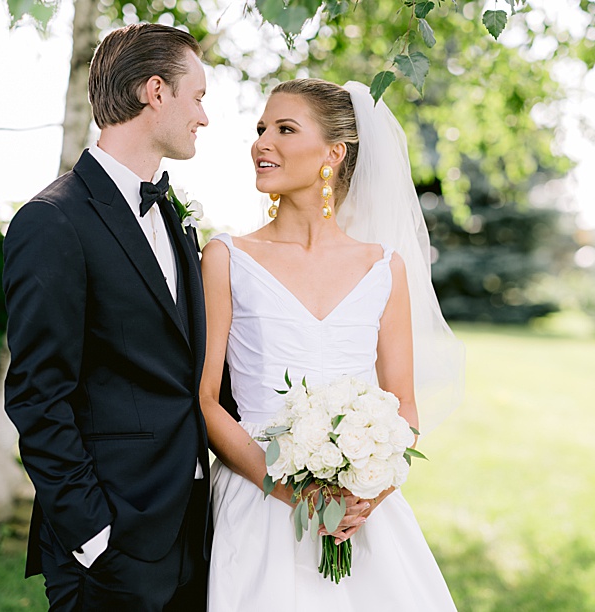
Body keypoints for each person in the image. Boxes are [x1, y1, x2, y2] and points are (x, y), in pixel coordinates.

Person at [199, 78, 462, 610]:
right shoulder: (226, 257)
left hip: (360, 519)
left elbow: (403, 404)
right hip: (258, 506)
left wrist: (368, 494)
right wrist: (289, 492)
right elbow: (204, 400)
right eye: (260, 129)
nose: (261, 143)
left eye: (285, 129)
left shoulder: (384, 267)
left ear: (334, 154)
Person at [2, 23, 211, 610]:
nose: (204, 116)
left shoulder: (171, 217)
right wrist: (93, 536)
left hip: (194, 532)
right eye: (197, 96)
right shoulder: (52, 220)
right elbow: (38, 396)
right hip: (111, 542)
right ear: (155, 91)